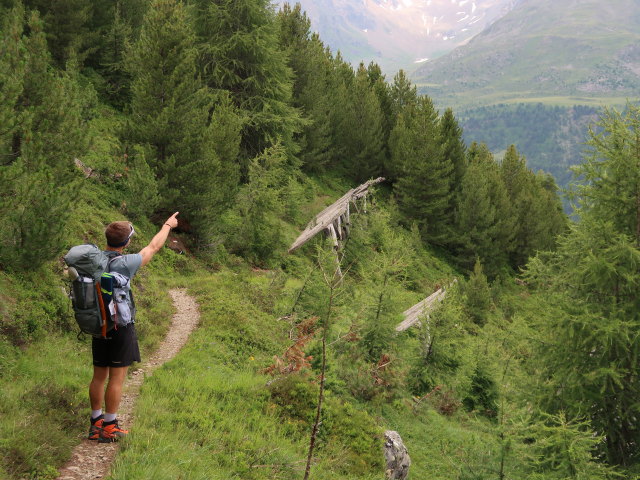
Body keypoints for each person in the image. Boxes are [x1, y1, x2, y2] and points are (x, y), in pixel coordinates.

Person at [88, 212, 179, 443]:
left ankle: (95, 423)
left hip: (99, 325)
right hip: (120, 326)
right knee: (116, 378)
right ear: (126, 242)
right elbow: (153, 247)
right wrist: (168, 225)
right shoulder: (126, 263)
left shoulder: (94, 259)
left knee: (99, 376)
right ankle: (110, 426)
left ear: (107, 239)